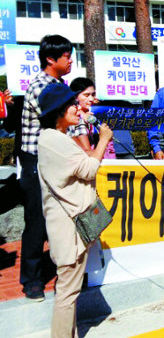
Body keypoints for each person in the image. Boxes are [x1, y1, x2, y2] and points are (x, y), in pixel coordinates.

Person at [37, 83, 113, 338]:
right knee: (67, 294)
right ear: (58, 111)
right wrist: (103, 140)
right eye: (71, 104)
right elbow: (89, 168)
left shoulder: (56, 139)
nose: (77, 108)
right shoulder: (54, 140)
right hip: (68, 230)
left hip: (71, 226)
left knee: (69, 291)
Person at [19, 34, 85, 301]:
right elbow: (65, 120)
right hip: (37, 160)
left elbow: (76, 120)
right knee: (37, 220)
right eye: (67, 56)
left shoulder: (60, 85)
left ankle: (67, 269)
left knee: (62, 216)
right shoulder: (40, 87)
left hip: (59, 158)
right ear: (50, 59)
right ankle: (32, 280)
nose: (71, 60)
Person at [67, 77, 116, 159]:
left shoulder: (96, 116)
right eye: (86, 95)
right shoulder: (75, 118)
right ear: (75, 97)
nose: (91, 99)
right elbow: (86, 150)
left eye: (93, 95)